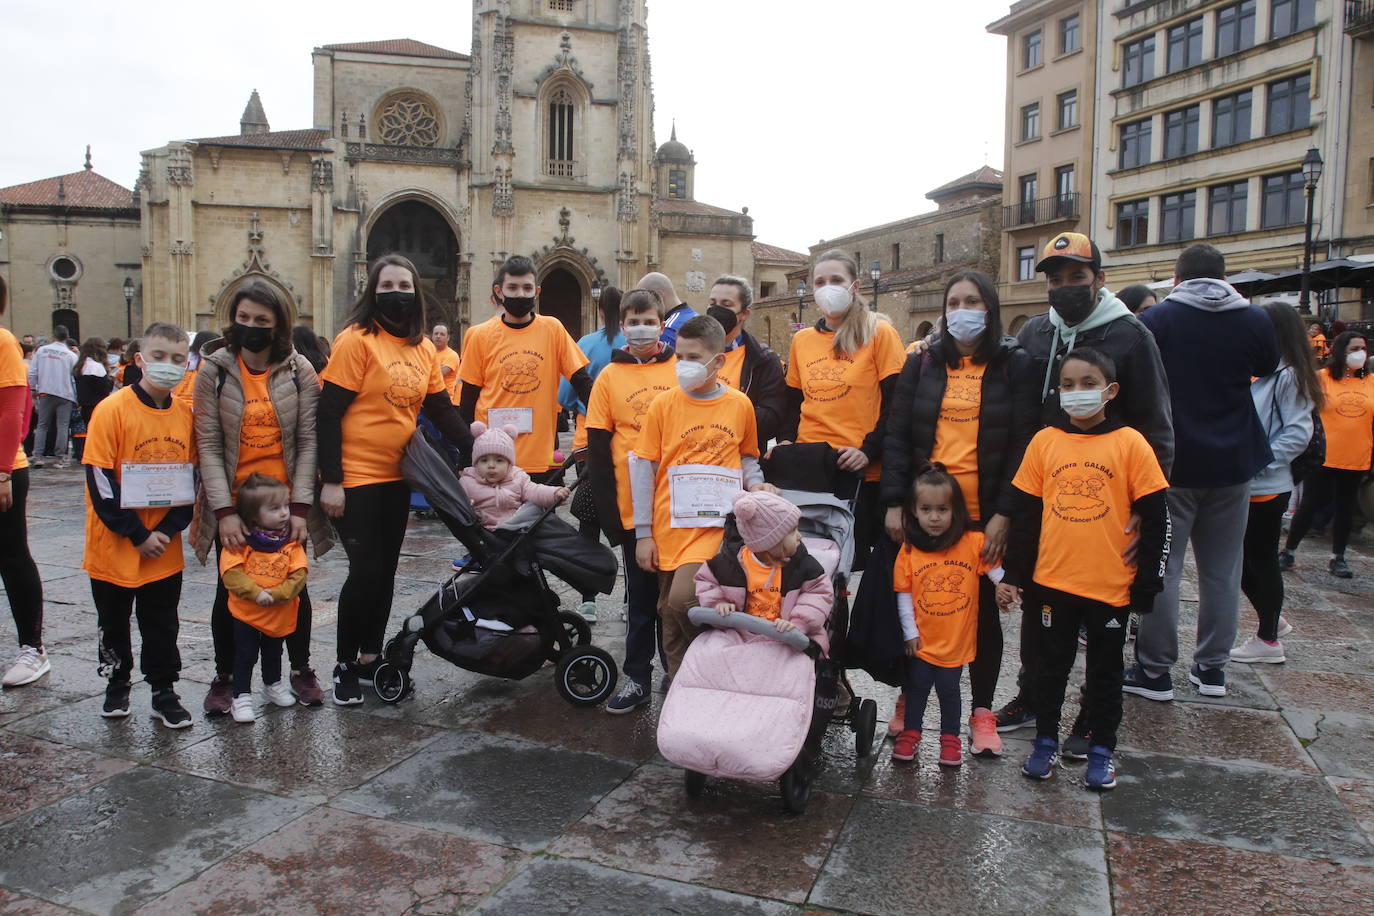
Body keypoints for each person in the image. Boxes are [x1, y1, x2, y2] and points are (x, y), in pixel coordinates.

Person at [997, 231, 1173, 732]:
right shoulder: (1034, 332)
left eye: (1077, 276)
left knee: (1102, 612)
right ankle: (1033, 694)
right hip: (1043, 486)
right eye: (1056, 278)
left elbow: (1157, 425)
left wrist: (1146, 504)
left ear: (1099, 278)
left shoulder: (1131, 335)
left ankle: (1095, 711)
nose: (1066, 286)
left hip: (1106, 491)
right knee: (1039, 598)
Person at [880, 270, 1037, 755]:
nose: (960, 310)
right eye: (953, 302)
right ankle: (910, 697)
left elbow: (1023, 444)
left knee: (982, 615)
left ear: (989, 309)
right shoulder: (923, 363)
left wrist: (1004, 514)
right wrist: (893, 503)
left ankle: (982, 712)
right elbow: (899, 434)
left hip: (984, 511)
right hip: (928, 510)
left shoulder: (1015, 364)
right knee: (921, 603)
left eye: (972, 301)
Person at [1000, 348, 1170, 790]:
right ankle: (1045, 742)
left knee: (1105, 672)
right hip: (1052, 584)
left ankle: (1101, 748)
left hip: (1110, 586)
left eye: (1088, 384)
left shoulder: (1131, 444)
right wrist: (1015, 575)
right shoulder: (1045, 442)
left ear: (1110, 390)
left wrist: (1148, 584)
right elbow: (1026, 514)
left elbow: (1157, 519)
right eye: (1068, 385)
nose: (1077, 393)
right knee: (1049, 669)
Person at [1124, 245, 1278, 702]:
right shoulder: (1254, 319)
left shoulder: (1160, 320)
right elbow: (1266, 366)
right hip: (1233, 463)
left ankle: (1155, 671)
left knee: (1164, 566)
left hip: (1173, 463)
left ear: (1177, 279)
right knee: (1222, 571)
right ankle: (1212, 669)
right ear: (1223, 276)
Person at [318, 254, 474, 706]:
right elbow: (329, 412)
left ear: (416, 291)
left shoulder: (424, 348)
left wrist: (474, 446)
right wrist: (332, 479)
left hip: (397, 475)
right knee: (364, 570)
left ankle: (370, 658)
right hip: (355, 475)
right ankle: (344, 663)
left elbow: (441, 409)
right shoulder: (356, 341)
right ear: (373, 291)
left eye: (405, 284)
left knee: (385, 572)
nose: (397, 291)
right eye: (388, 284)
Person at [194, 280, 331, 714]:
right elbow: (209, 445)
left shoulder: (300, 371)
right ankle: (228, 676)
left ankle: (299, 669)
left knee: (294, 586)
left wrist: (299, 510)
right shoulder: (213, 372)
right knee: (230, 591)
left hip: (284, 504)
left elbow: (309, 442)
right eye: (244, 318)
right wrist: (225, 512)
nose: (251, 326)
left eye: (262, 320)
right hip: (236, 505)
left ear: (278, 326)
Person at [632, 314, 769, 677]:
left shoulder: (739, 405)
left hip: (715, 529)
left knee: (684, 600)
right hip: (668, 528)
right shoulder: (663, 406)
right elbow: (644, 470)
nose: (684, 365)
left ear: (719, 360)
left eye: (694, 358)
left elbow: (747, 458)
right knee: (669, 613)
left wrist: (755, 485)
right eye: (680, 356)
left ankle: (715, 665)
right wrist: (643, 533)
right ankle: (684, 690)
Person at [83, 321, 197, 728]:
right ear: (139, 360)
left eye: (177, 359)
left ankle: (163, 689)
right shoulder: (111, 410)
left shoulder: (187, 415)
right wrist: (136, 533)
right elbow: (100, 482)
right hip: (115, 547)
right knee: (113, 621)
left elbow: (191, 480)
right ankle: (116, 683)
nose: (168, 365)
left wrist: (164, 532)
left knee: (162, 622)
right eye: (159, 357)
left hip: (163, 549)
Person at [778, 249, 906, 570]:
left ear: (855, 285)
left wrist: (869, 450)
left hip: (859, 467)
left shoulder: (879, 333)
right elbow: (792, 403)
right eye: (819, 281)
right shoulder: (802, 341)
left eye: (836, 280)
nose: (827, 287)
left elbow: (898, 402)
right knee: (806, 563)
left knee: (847, 566)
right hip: (810, 466)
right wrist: (785, 442)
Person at [587, 288, 678, 712]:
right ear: (621, 325)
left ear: (662, 322)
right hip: (633, 508)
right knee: (640, 601)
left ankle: (679, 674)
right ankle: (637, 676)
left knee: (678, 602)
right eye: (633, 320)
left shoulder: (683, 367)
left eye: (650, 319)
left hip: (680, 507)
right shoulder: (608, 376)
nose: (642, 326)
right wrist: (609, 513)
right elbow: (598, 448)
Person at [891, 464, 1003, 767]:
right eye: (926, 509)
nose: (935, 517)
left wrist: (1005, 585)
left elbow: (993, 570)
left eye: (943, 509)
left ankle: (950, 739)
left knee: (949, 691)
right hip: (923, 641)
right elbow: (903, 595)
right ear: (913, 511)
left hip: (955, 641)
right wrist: (910, 633)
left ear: (956, 510)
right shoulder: (910, 550)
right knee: (917, 689)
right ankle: (911, 733)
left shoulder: (971, 542)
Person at [1232, 302, 1321, 664]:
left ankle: (1268, 639)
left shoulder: (1289, 376)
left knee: (1259, 560)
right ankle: (1272, 617)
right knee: (1241, 562)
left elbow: (1298, 433)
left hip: (1266, 485)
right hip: (1250, 482)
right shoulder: (1265, 372)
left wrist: (1257, 462)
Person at [458, 255, 593, 481]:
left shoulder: (552, 329)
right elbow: (468, 400)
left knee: (541, 516)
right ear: (500, 291)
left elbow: (582, 381)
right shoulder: (479, 335)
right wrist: (465, 455)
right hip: (493, 458)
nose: (520, 294)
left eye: (527, 288)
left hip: (541, 457)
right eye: (513, 287)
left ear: (537, 292)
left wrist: (608, 421)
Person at [1281, 330, 1374, 579]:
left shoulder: (1371, 382)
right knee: (1310, 503)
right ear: (1340, 351)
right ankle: (1289, 551)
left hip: (1356, 456)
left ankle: (1338, 557)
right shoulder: (1321, 379)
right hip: (1324, 455)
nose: (1360, 353)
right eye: (1354, 348)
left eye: (1363, 348)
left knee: (1345, 508)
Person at [219, 473, 309, 724]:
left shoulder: (289, 542)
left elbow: (299, 573)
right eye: (275, 508)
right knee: (245, 654)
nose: (284, 513)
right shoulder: (240, 543)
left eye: (285, 506)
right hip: (247, 613)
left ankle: (272, 684)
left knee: (274, 652)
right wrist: (256, 593)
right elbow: (231, 574)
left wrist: (280, 594)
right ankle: (241, 696)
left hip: (278, 612)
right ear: (254, 515)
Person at [693, 489, 832, 644]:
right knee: (706, 654)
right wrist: (717, 603)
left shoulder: (803, 566)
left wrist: (798, 623)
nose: (800, 536)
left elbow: (818, 595)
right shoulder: (727, 564)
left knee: (793, 665)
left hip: (785, 636)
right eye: (792, 532)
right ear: (770, 542)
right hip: (739, 634)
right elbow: (706, 582)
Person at [0, 275, 47, 687]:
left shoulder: (3, 342)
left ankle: (32, 647)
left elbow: (13, 412)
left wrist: (2, 473)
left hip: (4, 469)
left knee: (12, 556)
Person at [705, 276, 786, 451]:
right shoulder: (691, 354)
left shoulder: (763, 359)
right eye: (712, 303)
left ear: (744, 314)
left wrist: (718, 416)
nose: (716, 310)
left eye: (726, 305)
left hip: (742, 459)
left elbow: (772, 417)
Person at [460, 421, 569, 528]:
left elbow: (535, 490)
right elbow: (458, 501)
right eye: (484, 460)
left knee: (534, 510)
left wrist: (554, 493)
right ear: (475, 463)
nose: (491, 465)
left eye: (499, 461)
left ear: (509, 464)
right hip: (483, 531)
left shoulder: (517, 477)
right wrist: (465, 506)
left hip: (514, 528)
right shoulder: (468, 481)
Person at [27, 324, 78, 468]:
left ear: (53, 336)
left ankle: (38, 456)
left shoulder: (42, 351)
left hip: (46, 391)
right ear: (66, 338)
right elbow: (74, 377)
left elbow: (32, 372)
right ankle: (60, 457)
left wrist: (33, 388)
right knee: (62, 425)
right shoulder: (71, 355)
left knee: (42, 425)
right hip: (65, 393)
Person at [71, 337, 114, 462]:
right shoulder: (97, 367)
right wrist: (110, 381)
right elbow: (104, 389)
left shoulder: (79, 366)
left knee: (87, 432)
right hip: (98, 405)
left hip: (84, 405)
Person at [638, 272, 696, 350]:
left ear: (659, 296)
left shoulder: (667, 330)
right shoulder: (695, 316)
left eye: (643, 300)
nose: (640, 307)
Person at [432, 323, 462, 402]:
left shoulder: (452, 355)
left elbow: (439, 374)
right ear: (432, 336)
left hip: (445, 400)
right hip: (428, 399)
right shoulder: (428, 353)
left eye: (442, 334)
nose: (438, 336)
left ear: (448, 338)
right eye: (436, 334)